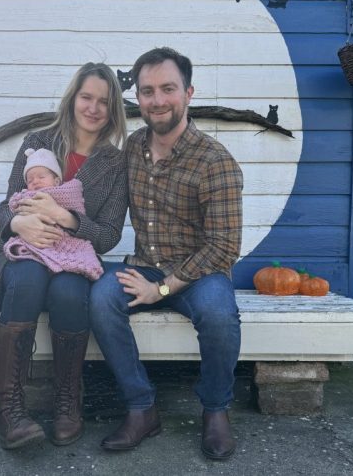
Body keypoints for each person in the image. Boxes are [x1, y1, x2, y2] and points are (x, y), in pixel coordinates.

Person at [90, 47, 243, 461]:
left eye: (168, 89)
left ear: (188, 93)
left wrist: (162, 288)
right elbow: (97, 198)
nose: (158, 100)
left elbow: (225, 246)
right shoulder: (133, 149)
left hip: (200, 273)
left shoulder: (216, 161)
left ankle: (215, 411)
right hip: (144, 265)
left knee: (219, 314)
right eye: (148, 91)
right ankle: (142, 409)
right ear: (138, 98)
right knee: (102, 298)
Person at [0, 62, 128, 450]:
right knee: (29, 278)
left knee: (68, 292)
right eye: (87, 97)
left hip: (71, 258)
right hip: (25, 252)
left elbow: (110, 234)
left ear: (113, 109)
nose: (93, 108)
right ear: (73, 99)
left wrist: (66, 217)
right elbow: (5, 208)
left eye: (103, 101)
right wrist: (18, 225)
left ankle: (67, 402)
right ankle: (10, 409)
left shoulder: (115, 163)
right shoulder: (38, 141)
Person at [3, 147, 103, 281]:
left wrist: (59, 213)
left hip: (64, 240)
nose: (35, 181)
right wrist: (17, 220)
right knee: (27, 275)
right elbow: (12, 207)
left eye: (41, 177)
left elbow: (77, 208)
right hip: (34, 240)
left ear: (56, 181)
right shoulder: (25, 196)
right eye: (30, 180)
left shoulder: (68, 192)